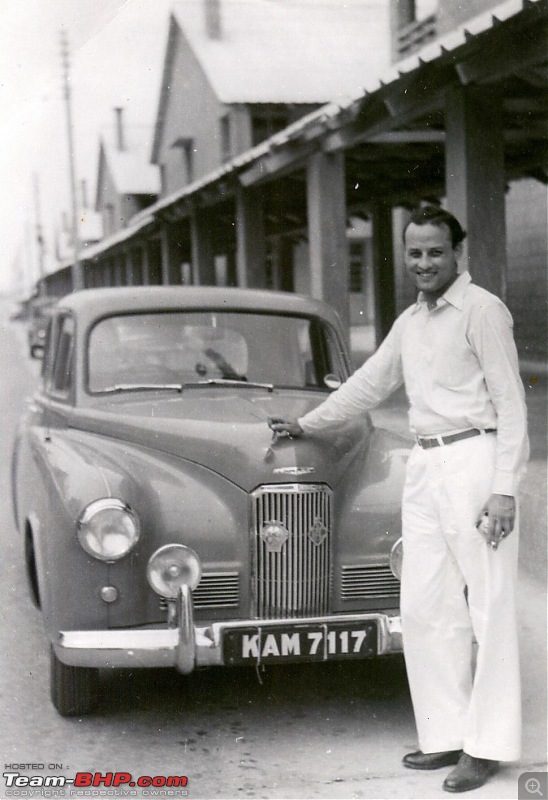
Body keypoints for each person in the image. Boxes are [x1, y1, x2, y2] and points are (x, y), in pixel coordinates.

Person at [268, 205, 529, 794]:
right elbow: (369, 382)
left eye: (435, 251)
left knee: (487, 605)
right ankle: (445, 734)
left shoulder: (483, 311)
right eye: (414, 252)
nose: (423, 262)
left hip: (474, 459)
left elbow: (511, 405)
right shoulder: (412, 320)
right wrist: (307, 424)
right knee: (424, 603)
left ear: (456, 252)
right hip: (426, 464)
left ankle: (486, 747)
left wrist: (504, 489)